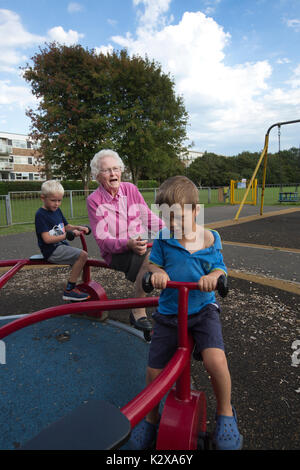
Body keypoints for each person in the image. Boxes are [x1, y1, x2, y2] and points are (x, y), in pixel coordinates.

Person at [129, 175, 243, 451]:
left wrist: (214, 277)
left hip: (203, 310)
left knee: (216, 361)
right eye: (167, 218)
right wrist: (157, 274)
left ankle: (226, 412)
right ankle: (152, 418)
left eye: (178, 218)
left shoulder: (210, 238)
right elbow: (153, 266)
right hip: (170, 313)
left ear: (195, 211)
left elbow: (220, 268)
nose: (172, 225)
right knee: (154, 370)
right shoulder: (165, 239)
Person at [86, 149, 164, 331]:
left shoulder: (130, 189)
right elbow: (103, 240)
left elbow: (148, 217)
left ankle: (175, 308)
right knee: (151, 258)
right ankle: (137, 310)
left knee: (169, 254)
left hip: (139, 244)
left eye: (116, 168)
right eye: (106, 170)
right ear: (97, 176)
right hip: (116, 252)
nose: (113, 173)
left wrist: (172, 232)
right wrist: (127, 243)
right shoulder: (94, 200)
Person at [35, 180, 90, 301]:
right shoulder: (41, 215)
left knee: (81, 258)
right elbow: (47, 239)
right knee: (82, 255)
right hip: (51, 250)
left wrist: (79, 227)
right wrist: (66, 235)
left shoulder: (57, 211)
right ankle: (70, 289)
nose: (57, 204)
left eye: (59, 200)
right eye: (53, 200)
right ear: (43, 198)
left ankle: (72, 285)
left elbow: (66, 226)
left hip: (61, 246)